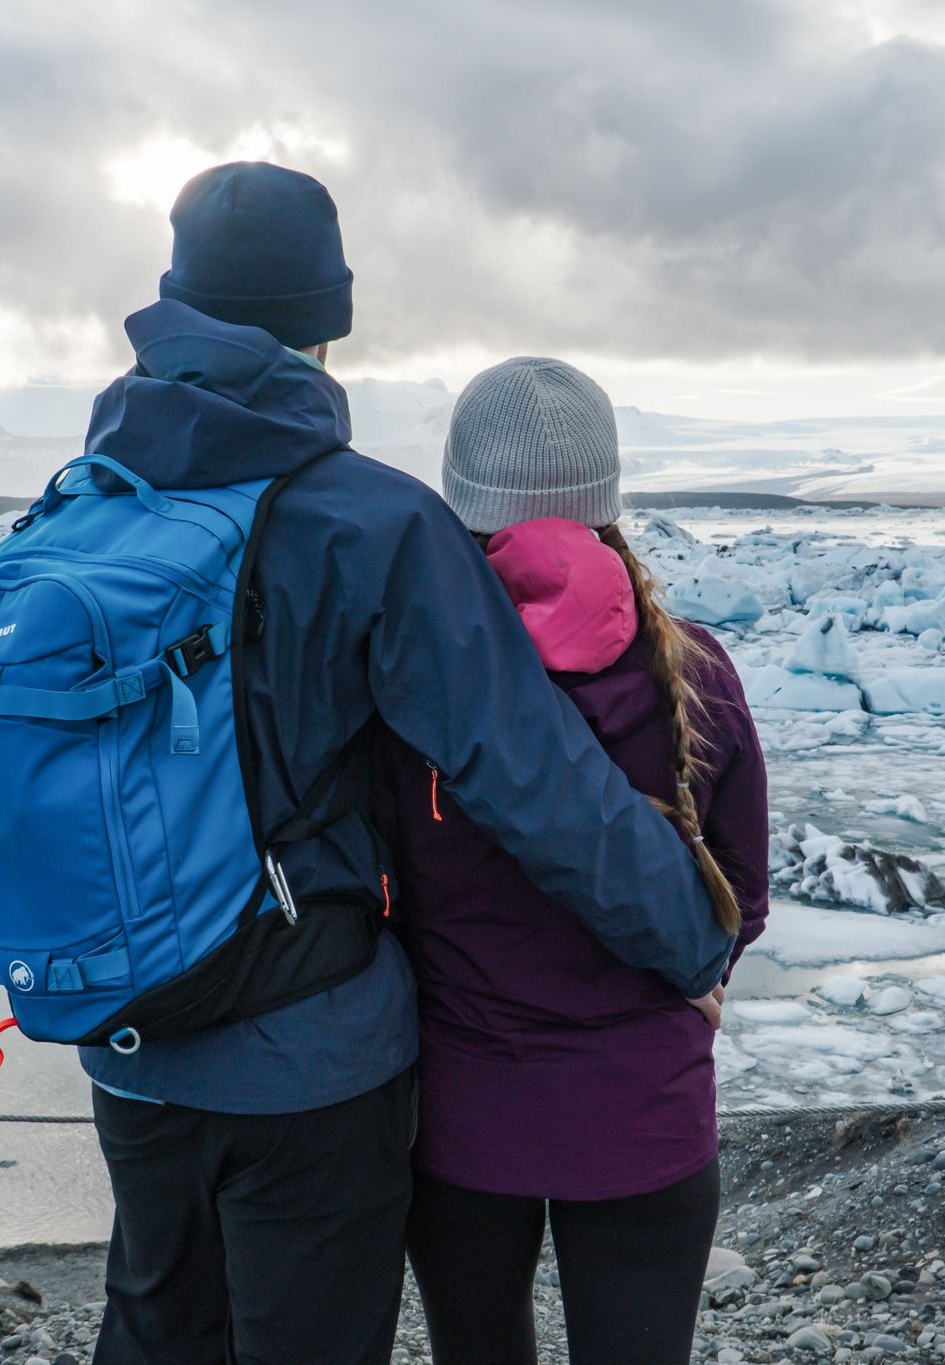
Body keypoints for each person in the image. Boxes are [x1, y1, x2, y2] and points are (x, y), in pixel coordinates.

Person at [72, 163, 737, 1364]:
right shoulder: (367, 522)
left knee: (158, 1325)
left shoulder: (83, 504)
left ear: (169, 304)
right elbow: (529, 779)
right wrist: (692, 943)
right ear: (329, 324)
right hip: (306, 1056)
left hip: (129, 1034)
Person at [376, 357, 771, 1364]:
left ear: (458, 501)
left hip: (463, 1118)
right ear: (607, 496)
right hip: (645, 1116)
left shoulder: (412, 687)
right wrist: (698, 977)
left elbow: (376, 891)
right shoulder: (698, 672)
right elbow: (741, 894)